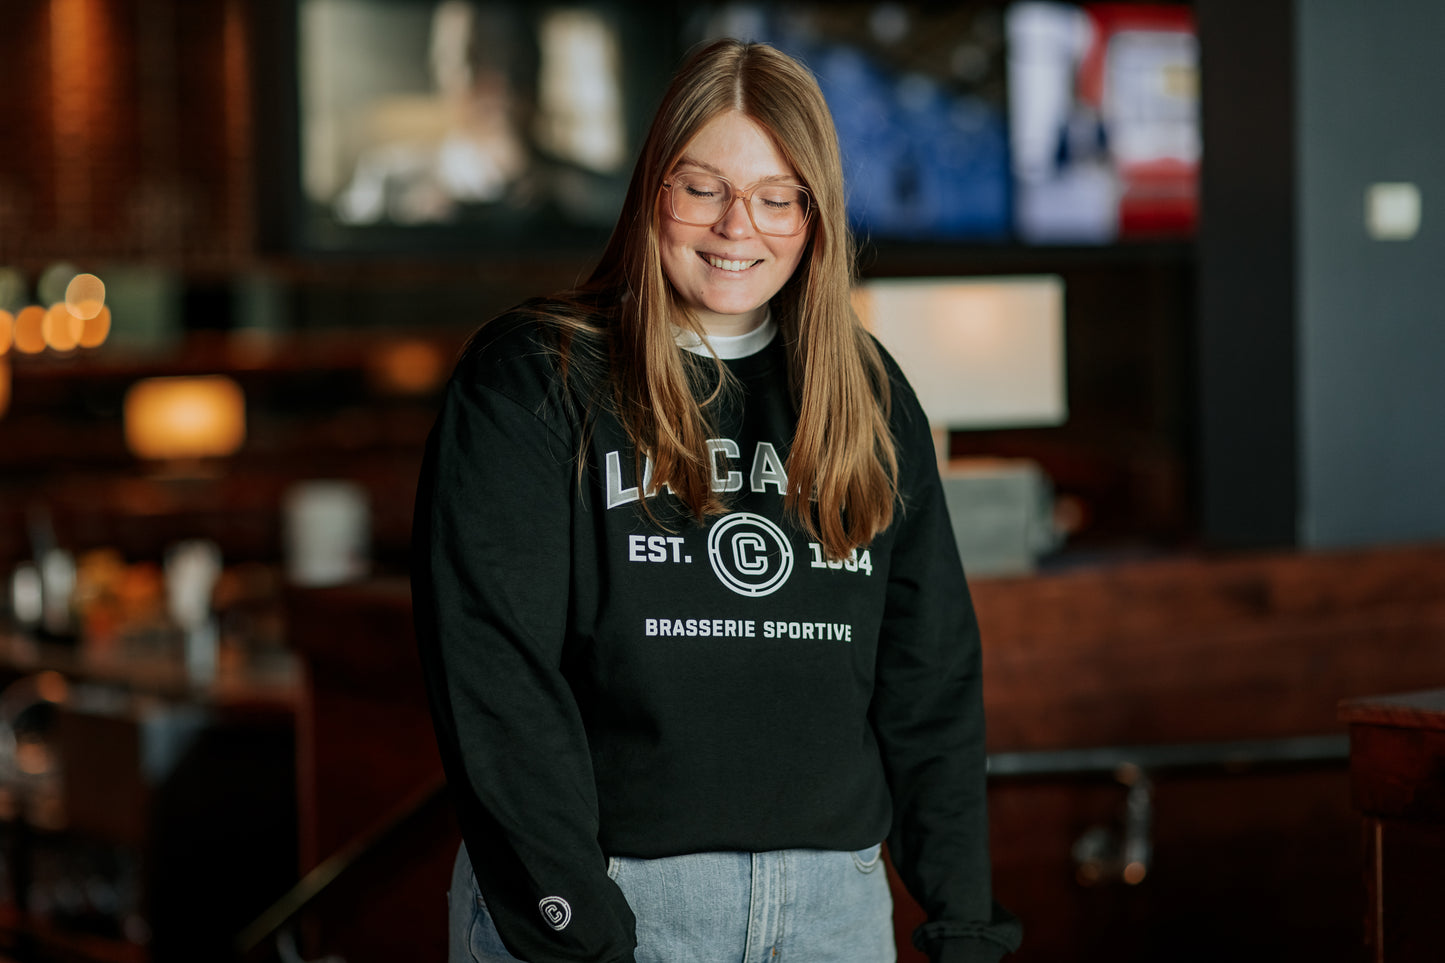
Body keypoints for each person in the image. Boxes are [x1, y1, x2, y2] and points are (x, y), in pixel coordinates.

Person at [412, 38, 1021, 963]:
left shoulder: (866, 390)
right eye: (703, 188)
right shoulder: (538, 375)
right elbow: (494, 679)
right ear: (652, 187)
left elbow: (927, 681)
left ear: (815, 216)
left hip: (836, 908)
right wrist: (573, 917)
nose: (740, 226)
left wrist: (963, 916)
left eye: (778, 197)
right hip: (609, 896)